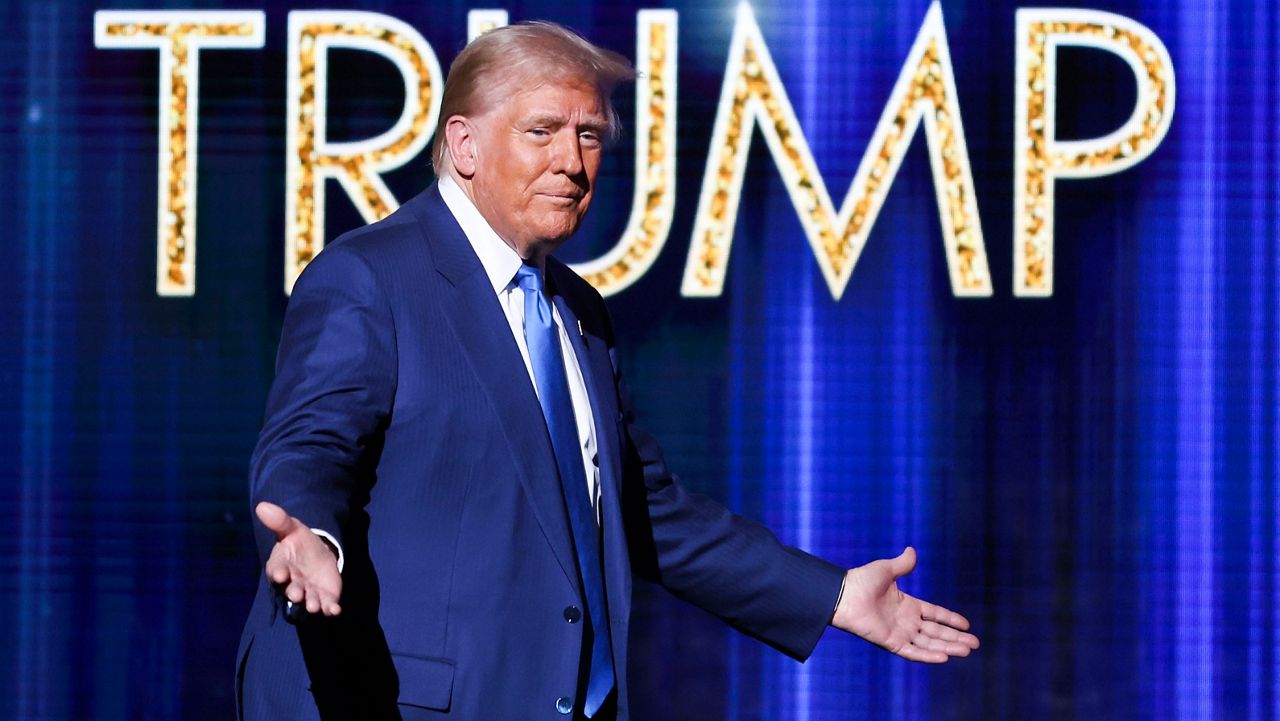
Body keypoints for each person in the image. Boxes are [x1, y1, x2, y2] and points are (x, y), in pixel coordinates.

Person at [235, 21, 978, 721]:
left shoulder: (578, 308)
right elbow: (307, 448)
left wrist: (834, 595)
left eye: (589, 135)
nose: (572, 161)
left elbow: (642, 511)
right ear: (463, 145)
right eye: (542, 132)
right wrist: (308, 538)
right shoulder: (370, 277)